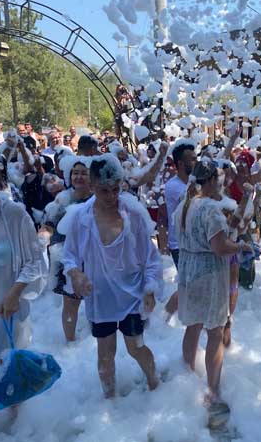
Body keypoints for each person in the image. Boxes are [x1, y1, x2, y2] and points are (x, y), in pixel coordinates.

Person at [62, 154, 162, 398]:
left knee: (135, 348)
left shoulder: (133, 214)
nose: (111, 197)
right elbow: (69, 255)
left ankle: (155, 384)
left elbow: (150, 256)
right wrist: (75, 274)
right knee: (105, 355)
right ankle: (110, 402)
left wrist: (150, 288)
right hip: (100, 295)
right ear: (92, 186)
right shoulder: (81, 217)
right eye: (104, 191)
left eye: (116, 190)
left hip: (132, 293)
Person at [0, 144, 47, 442]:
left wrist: (16, 291)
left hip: (7, 312)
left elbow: (34, 260)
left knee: (11, 381)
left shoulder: (12, 215)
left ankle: (18, 432)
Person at [174, 160, 249, 419]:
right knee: (215, 331)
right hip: (208, 272)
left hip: (188, 269)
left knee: (192, 324)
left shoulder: (184, 205)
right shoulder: (210, 209)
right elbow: (220, 247)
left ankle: (186, 375)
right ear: (209, 182)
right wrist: (242, 247)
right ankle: (212, 390)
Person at [41, 156, 93, 342]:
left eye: (83, 173)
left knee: (96, 299)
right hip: (67, 256)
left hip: (94, 256)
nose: (78, 177)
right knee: (70, 302)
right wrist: (43, 237)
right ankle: (70, 340)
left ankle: (97, 335)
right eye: (75, 173)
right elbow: (48, 224)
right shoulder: (63, 199)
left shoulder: (98, 198)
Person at [163, 141, 197, 315]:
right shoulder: (173, 186)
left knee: (193, 285)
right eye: (193, 159)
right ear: (182, 164)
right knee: (188, 287)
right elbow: (192, 204)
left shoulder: (193, 183)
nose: (196, 162)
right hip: (180, 245)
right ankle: (164, 317)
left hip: (194, 244)